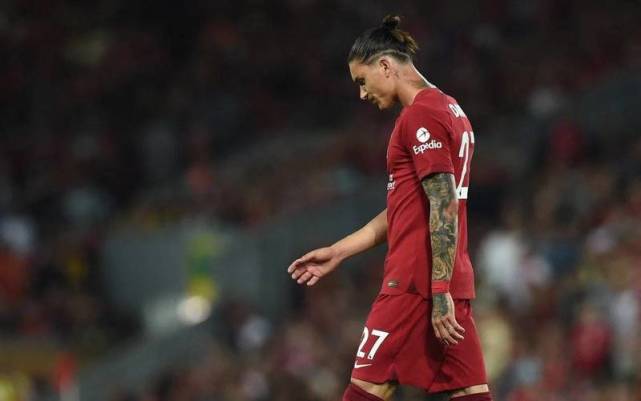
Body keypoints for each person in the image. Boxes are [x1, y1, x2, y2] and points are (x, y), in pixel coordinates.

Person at [287, 15, 493, 401]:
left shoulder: (420, 115)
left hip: (415, 283)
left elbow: (444, 202)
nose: (362, 94)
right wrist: (339, 251)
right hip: (448, 279)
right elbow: (407, 208)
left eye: (362, 81)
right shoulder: (451, 109)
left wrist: (437, 289)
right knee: (470, 392)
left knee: (367, 388)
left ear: (385, 66)